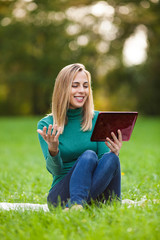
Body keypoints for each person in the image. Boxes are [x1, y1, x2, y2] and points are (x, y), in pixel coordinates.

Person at [37, 63, 122, 210]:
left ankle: (76, 206)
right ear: (62, 88)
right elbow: (55, 171)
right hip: (61, 195)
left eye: (85, 85)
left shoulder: (99, 119)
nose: (82, 91)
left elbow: (104, 164)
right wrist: (53, 150)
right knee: (88, 155)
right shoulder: (47, 124)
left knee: (112, 158)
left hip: (96, 190)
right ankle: (77, 203)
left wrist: (114, 152)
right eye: (75, 85)